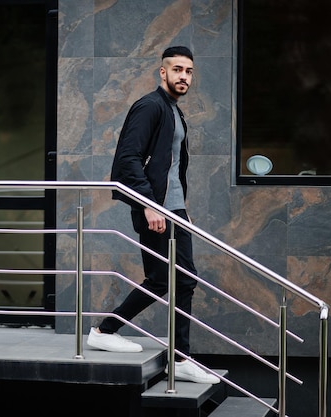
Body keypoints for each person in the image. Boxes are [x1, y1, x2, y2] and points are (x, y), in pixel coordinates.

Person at [86, 46, 219, 385]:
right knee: (182, 279)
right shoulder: (150, 106)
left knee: (165, 280)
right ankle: (177, 357)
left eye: (188, 71)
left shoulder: (173, 111)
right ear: (163, 72)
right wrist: (149, 205)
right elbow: (127, 160)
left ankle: (106, 330)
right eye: (177, 70)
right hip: (159, 209)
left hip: (173, 208)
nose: (183, 76)